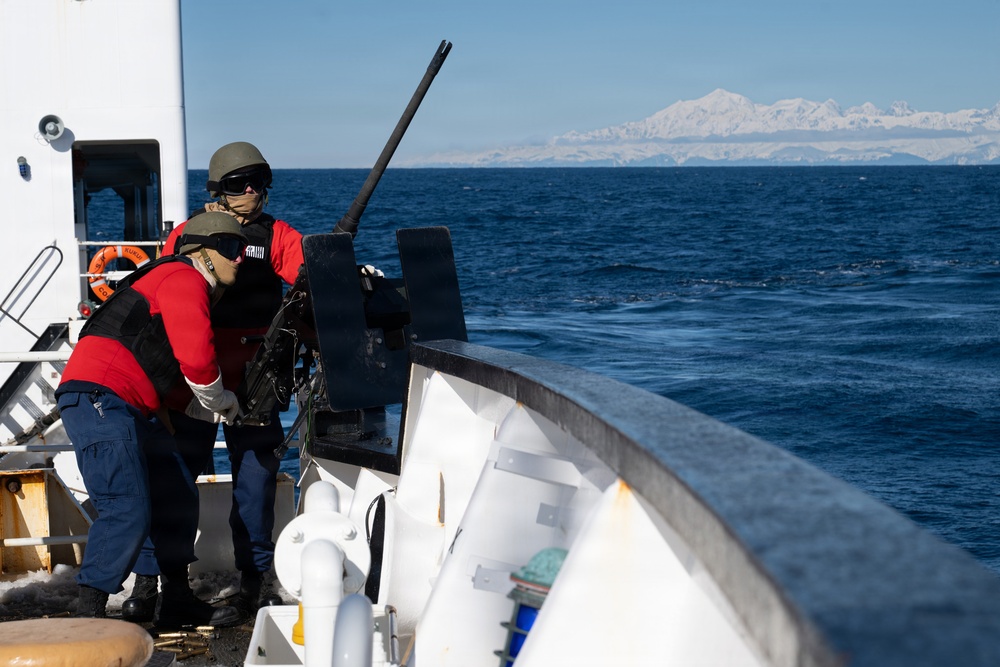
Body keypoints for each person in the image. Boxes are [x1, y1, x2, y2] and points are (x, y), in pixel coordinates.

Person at [122, 141, 305, 623]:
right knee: (173, 477)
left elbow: (308, 276)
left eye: (260, 182)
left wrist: (340, 273)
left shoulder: (279, 236)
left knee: (256, 482)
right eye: (239, 184)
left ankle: (254, 585)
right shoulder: (187, 235)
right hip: (192, 377)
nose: (252, 192)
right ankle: (153, 583)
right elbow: (163, 291)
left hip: (256, 378)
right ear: (218, 191)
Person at [57, 212, 249, 625]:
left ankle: (176, 600)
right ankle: (87, 619)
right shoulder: (184, 277)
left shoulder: (176, 278)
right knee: (125, 507)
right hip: (99, 397)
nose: (240, 257)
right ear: (202, 252)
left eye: (243, 249)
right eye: (231, 248)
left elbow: (150, 356)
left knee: (175, 491)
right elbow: (197, 360)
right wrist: (222, 401)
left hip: (133, 405)